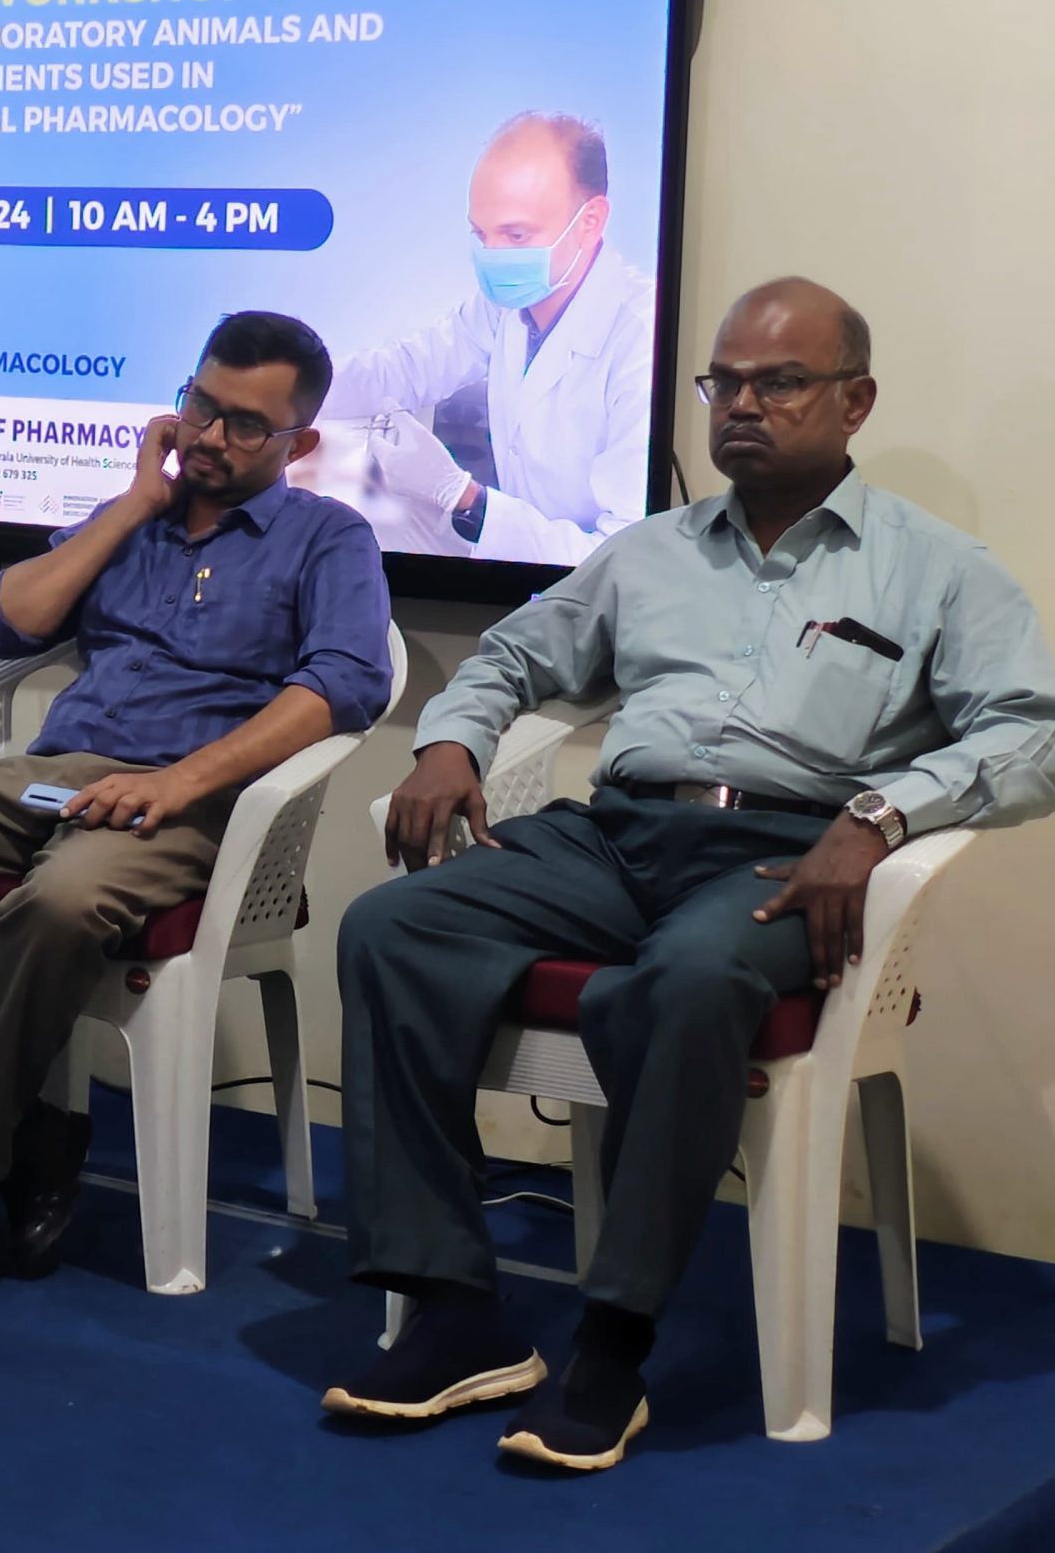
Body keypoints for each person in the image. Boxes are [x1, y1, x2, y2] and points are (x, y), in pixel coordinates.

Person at [323, 279, 1055, 1471]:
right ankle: (455, 1314)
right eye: (726, 383)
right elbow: (511, 655)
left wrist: (877, 816)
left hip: (787, 857)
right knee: (394, 926)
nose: (742, 406)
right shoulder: (646, 553)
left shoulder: (935, 569)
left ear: (855, 401)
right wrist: (448, 741)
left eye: (781, 383)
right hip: (616, 838)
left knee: (690, 976)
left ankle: (611, 1348)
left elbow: (1030, 739)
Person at [0, 312, 394, 1295]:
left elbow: (344, 685)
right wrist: (134, 503)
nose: (211, 436)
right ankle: (12, 1130)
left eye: (245, 425)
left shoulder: (327, 538)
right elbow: (6, 624)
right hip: (54, 773)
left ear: (298, 443)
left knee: (58, 902)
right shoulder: (133, 519)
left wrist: (178, 782)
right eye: (200, 406)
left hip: (190, 800)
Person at [321, 112, 654, 565]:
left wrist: (462, 497)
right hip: (518, 561)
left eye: (515, 234)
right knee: (356, 519)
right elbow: (405, 369)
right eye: (481, 234)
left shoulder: (640, 340)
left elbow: (623, 557)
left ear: (590, 221)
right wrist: (289, 388)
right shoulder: (505, 308)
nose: (493, 256)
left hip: (593, 587)